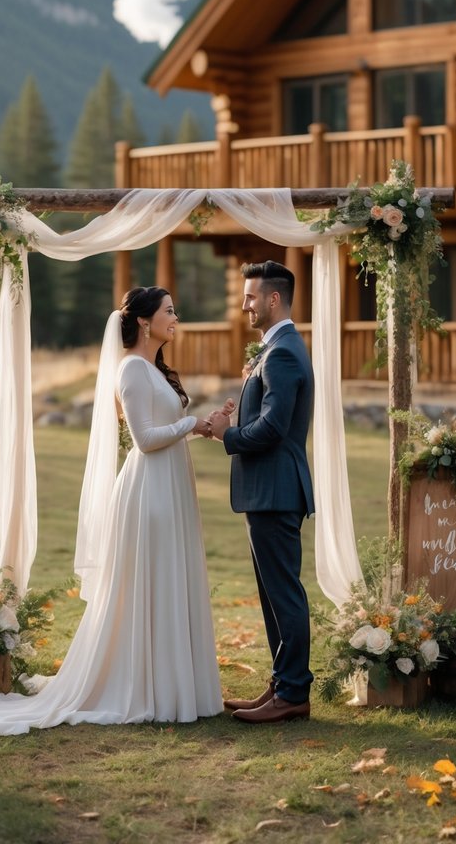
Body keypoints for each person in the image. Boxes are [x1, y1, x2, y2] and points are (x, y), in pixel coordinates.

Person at [0, 287, 225, 733]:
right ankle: (147, 687)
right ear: (143, 322)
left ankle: (174, 686)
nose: (176, 317)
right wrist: (193, 422)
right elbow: (146, 440)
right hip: (150, 493)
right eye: (169, 311)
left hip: (170, 485)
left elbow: (166, 433)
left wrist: (205, 427)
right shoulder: (132, 370)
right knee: (151, 583)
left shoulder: (152, 369)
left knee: (170, 579)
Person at [207, 260, 315, 723]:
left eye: (250, 297)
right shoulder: (274, 349)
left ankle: (293, 693)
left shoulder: (284, 352)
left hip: (276, 489)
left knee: (284, 594)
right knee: (273, 594)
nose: (244, 305)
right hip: (266, 491)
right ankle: (280, 685)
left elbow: (273, 426)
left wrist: (226, 436)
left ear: (273, 299)